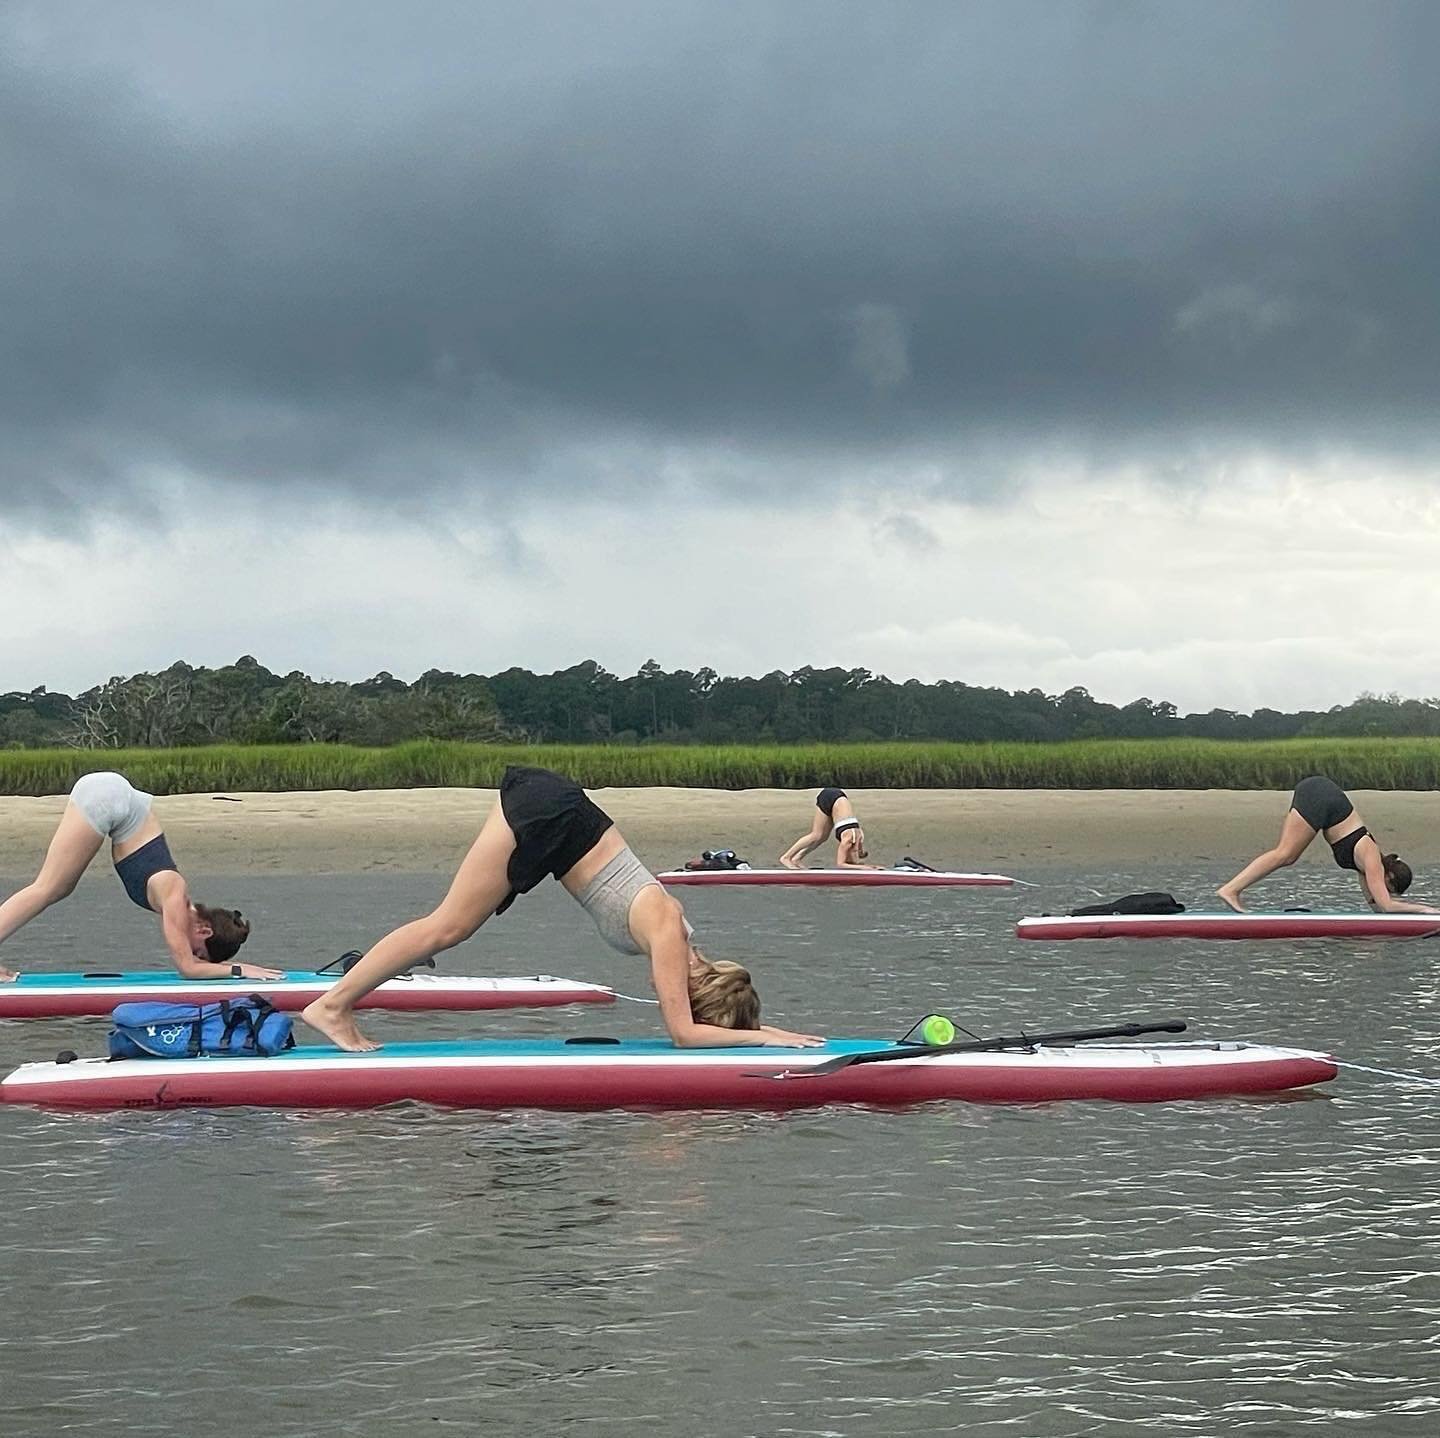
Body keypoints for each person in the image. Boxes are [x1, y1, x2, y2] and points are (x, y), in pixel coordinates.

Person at [301, 765, 823, 1052]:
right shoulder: (668, 933)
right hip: (552, 818)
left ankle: (338, 1003)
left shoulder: (675, 935)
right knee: (447, 927)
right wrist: (763, 1038)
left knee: (448, 927)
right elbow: (683, 1035)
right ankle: (331, 1006)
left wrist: (754, 1031)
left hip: (559, 822)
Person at [0, 770, 277, 983]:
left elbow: (191, 961)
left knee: (56, 888)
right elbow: (187, 969)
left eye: (201, 957)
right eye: (201, 952)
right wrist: (240, 970)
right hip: (109, 798)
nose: (195, 956)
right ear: (204, 931)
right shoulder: (175, 899)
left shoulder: (176, 901)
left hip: (114, 797)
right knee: (49, 888)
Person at [1217, 774, 1438, 914]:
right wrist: (1427, 910)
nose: (1384, 891)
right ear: (1388, 877)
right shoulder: (1372, 859)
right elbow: (1387, 905)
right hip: (1321, 795)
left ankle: (1232, 889)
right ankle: (1231, 890)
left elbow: (1378, 907)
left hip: (1323, 800)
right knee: (1286, 853)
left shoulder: (1366, 869)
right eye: (1389, 889)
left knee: (1289, 855)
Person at [779, 787, 880, 869]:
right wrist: (864, 868)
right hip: (829, 797)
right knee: (816, 835)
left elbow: (857, 858)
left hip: (838, 800)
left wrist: (867, 866)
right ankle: (786, 857)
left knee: (823, 837)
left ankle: (797, 859)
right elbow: (841, 864)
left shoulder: (859, 839)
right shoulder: (847, 841)